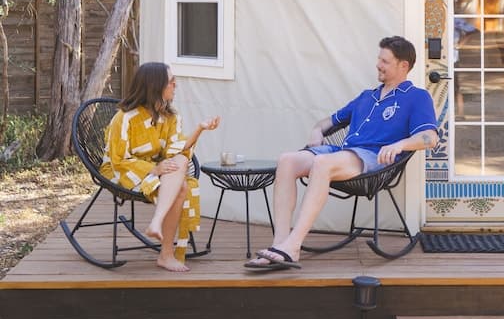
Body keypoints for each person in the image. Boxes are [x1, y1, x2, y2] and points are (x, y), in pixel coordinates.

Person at [245, 36, 438, 271]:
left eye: (385, 61)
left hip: (372, 159)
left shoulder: (416, 97)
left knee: (323, 163)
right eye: (379, 59)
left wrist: (400, 145)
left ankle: (293, 246)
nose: (378, 64)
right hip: (342, 152)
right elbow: (328, 122)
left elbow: (430, 137)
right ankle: (279, 244)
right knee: (287, 160)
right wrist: (317, 130)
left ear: (403, 66)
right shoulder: (367, 96)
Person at [101, 62, 220, 273]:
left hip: (156, 168)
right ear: (155, 86)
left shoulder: (170, 117)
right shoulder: (124, 118)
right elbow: (118, 159)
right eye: (171, 82)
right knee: (181, 188)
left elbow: (175, 150)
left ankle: (156, 224)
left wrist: (200, 129)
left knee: (182, 161)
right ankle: (165, 254)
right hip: (125, 171)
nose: (176, 85)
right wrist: (153, 170)